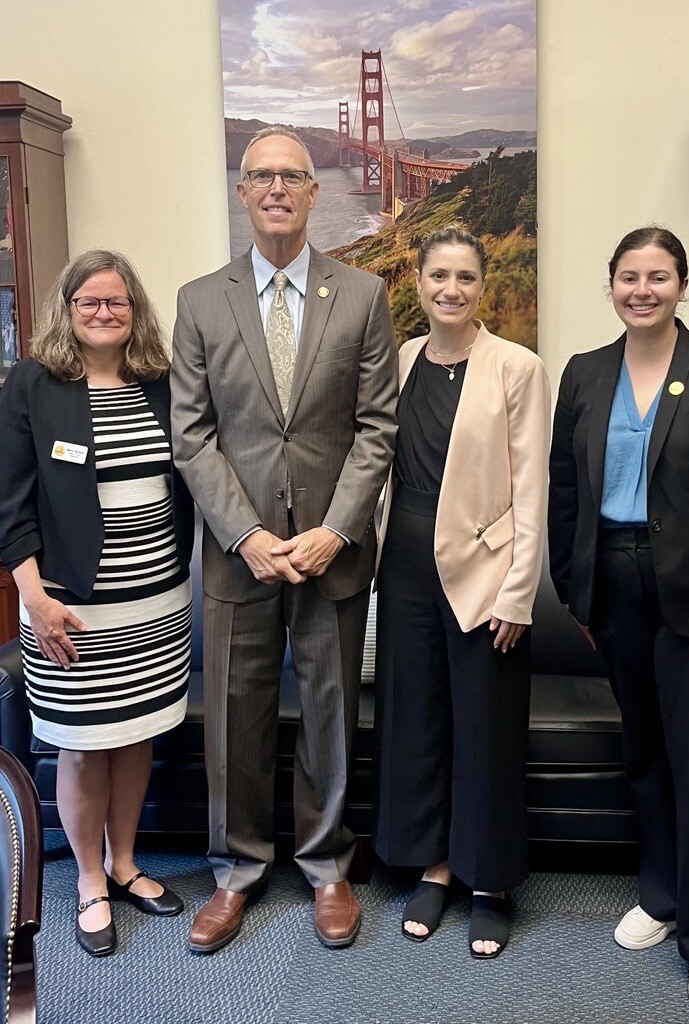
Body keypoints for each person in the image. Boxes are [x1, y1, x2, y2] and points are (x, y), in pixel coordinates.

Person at [171, 127, 398, 952]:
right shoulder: (200, 301)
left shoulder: (365, 295)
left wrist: (337, 531)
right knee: (234, 713)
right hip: (240, 558)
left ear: (310, 192)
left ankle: (329, 867)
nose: (276, 189)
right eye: (260, 176)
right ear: (244, 193)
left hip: (333, 557)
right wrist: (247, 535)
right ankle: (235, 872)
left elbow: (378, 428)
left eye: (291, 177)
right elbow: (191, 435)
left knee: (332, 712)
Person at [548, 226, 689, 1010]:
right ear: (611, 285)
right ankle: (665, 895)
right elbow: (564, 488)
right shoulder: (584, 373)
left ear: (682, 286)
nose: (643, 289)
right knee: (644, 753)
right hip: (611, 586)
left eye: (659, 276)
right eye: (630, 277)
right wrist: (575, 593)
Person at [0, 250, 193, 957]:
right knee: (83, 747)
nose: (105, 313)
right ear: (69, 310)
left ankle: (125, 863)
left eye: (118, 303)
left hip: (155, 603)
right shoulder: (33, 385)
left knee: (135, 737)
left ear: (134, 312)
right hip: (68, 610)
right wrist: (35, 600)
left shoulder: (161, 385)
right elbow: (8, 502)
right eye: (91, 303)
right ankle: (88, 880)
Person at [373, 227, 550, 958]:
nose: (452, 289)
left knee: (486, 727)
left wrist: (518, 593)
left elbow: (533, 485)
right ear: (417, 282)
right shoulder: (402, 359)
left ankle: (490, 883)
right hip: (405, 568)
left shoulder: (517, 365)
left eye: (466, 278)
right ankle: (436, 867)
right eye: (438, 275)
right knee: (416, 724)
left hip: (485, 574)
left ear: (482, 287)